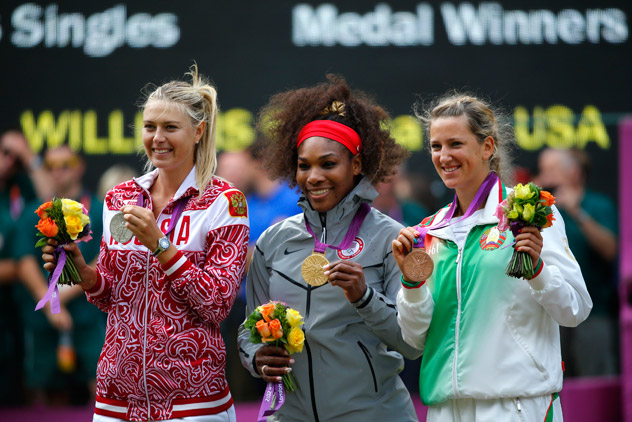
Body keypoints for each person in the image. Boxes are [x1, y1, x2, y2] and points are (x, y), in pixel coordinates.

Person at [41, 65, 249, 422]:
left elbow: (216, 304)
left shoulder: (225, 202)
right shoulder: (119, 197)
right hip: (116, 396)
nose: (157, 138)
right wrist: (81, 271)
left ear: (199, 131)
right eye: (150, 127)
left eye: (170, 128)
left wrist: (161, 245)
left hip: (193, 399)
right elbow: (110, 294)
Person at [392, 93, 592, 421]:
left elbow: (576, 308)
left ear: (487, 147)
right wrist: (411, 284)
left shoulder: (528, 212)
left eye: (455, 143)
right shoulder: (429, 232)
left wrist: (537, 270)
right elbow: (414, 341)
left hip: (515, 404)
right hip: (445, 409)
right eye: (435, 146)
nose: (444, 156)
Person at [237, 75, 421, 422]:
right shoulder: (272, 242)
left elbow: (410, 343)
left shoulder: (391, 238)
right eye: (304, 165)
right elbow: (250, 327)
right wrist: (255, 356)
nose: (314, 176)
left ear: (356, 165)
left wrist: (364, 296)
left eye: (328, 164)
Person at [14, 145, 104, 405]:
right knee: (38, 388)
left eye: (64, 165)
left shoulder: (98, 209)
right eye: (50, 167)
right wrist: (50, 305)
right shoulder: (36, 212)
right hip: (42, 320)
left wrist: (59, 300)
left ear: (79, 166)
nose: (57, 173)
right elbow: (24, 262)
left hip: (87, 313)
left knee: (99, 383)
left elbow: (104, 259)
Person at [536, 147, 618, 377]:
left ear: (573, 172)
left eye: (549, 170)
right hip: (550, 311)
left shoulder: (598, 205)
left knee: (594, 378)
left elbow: (611, 249)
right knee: (554, 378)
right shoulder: (538, 209)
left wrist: (576, 211)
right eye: (541, 171)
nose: (543, 177)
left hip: (595, 312)